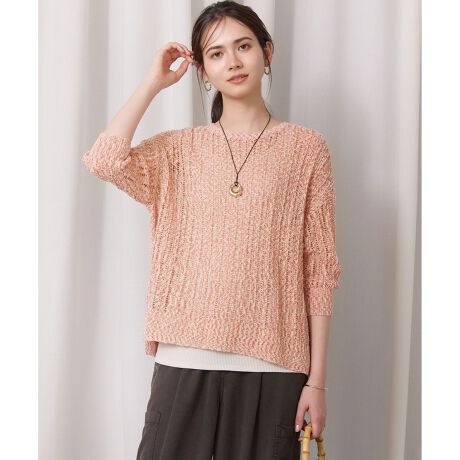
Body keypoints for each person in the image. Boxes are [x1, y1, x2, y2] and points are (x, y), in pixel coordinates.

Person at [82, 1, 341, 459]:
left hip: (274, 368)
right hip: (184, 362)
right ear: (202, 70)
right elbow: (104, 160)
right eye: (217, 54)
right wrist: (153, 83)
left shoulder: (306, 149)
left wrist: (316, 382)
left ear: (267, 52)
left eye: (243, 46)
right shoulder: (177, 151)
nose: (233, 62)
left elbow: (320, 270)